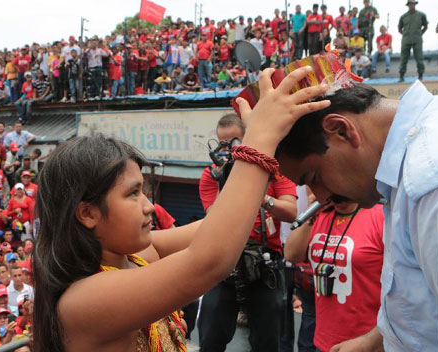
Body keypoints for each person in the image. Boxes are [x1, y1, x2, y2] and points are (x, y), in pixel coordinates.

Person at [31, 67, 328, 351]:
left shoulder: (137, 255)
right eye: (133, 194)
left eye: (144, 191)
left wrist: (262, 144)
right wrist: (260, 137)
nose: (149, 206)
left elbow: (215, 229)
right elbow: (209, 260)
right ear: (88, 214)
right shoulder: (83, 300)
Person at [269, 70, 438, 349]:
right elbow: (429, 301)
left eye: (314, 177)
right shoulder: (425, 155)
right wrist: (374, 341)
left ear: (341, 130)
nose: (322, 197)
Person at [198, 114, 298, 352]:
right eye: (222, 143)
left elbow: (290, 211)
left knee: (268, 340)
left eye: (234, 142)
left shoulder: (272, 170)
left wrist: (260, 195)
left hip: (265, 264)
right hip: (224, 263)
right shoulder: (212, 174)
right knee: (210, 337)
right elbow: (214, 218)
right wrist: (229, 181)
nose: (227, 149)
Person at [285, 194, 384, 351]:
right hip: (324, 339)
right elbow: (292, 254)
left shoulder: (379, 215)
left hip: (367, 341)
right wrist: (311, 213)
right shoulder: (320, 215)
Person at [398, 0, 428, 82]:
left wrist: (419, 34)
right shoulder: (403, 16)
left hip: (417, 39)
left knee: (419, 58)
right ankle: (401, 76)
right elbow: (399, 29)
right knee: (404, 58)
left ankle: (420, 75)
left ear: (415, 4)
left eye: (413, 3)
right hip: (406, 39)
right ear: (408, 5)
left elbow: (425, 26)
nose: (412, 5)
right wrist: (405, 34)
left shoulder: (421, 15)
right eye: (410, 4)